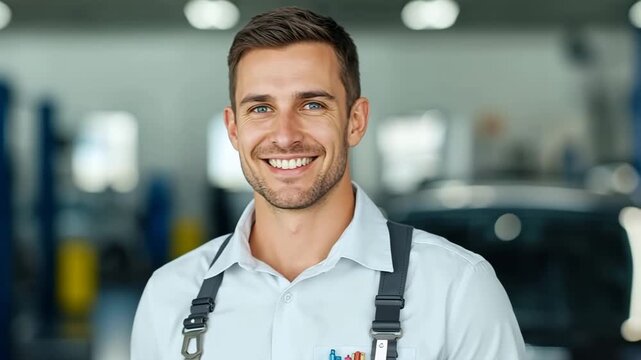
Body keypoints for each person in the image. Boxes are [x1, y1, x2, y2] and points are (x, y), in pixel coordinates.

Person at [131, 6, 525, 360]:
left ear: (356, 120)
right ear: (234, 129)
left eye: (312, 105)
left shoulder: (455, 290)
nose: (285, 135)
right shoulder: (170, 296)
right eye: (261, 108)